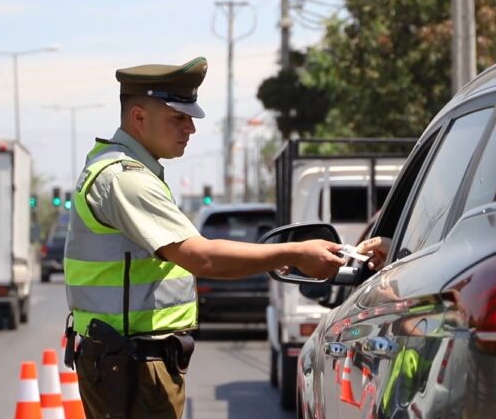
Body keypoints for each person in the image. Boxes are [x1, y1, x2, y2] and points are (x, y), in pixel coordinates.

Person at [62, 56, 347, 419]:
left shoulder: (123, 170)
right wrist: (294, 252)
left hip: (131, 358)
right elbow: (203, 258)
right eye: (177, 117)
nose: (190, 129)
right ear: (138, 117)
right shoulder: (125, 179)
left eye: (190, 119)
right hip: (130, 363)